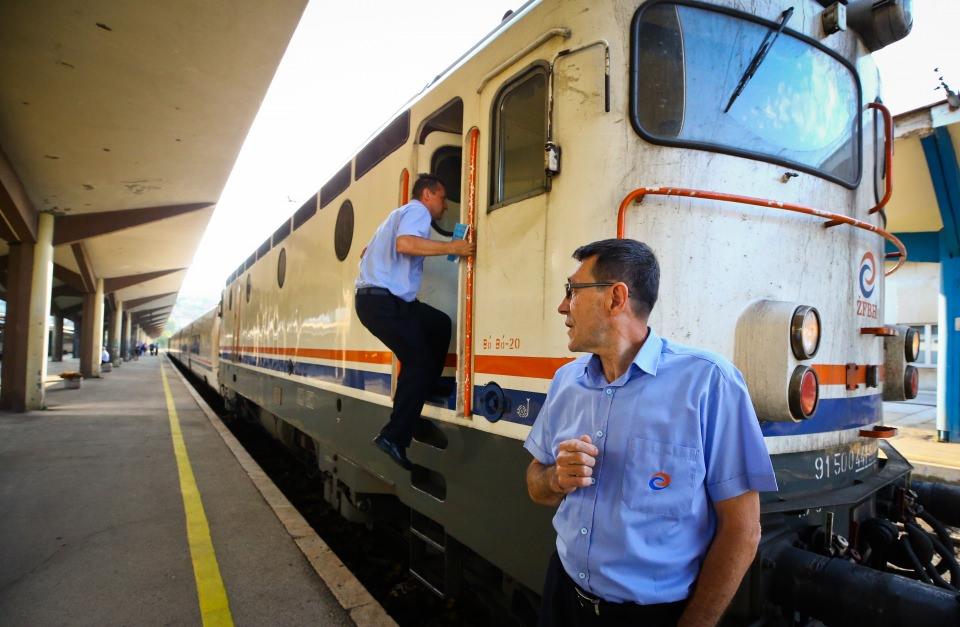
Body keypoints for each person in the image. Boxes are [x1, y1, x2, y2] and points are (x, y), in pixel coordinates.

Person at [524, 239, 777, 627]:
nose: (562, 306)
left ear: (616, 298)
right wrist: (556, 478)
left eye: (572, 290)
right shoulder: (566, 382)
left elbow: (742, 530)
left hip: (651, 617)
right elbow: (534, 484)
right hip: (563, 597)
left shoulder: (709, 383)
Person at [355, 174, 475, 469]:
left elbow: (368, 252)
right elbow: (405, 244)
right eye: (442, 198)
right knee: (419, 361)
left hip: (385, 301)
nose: (445, 206)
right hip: (382, 302)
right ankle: (392, 437)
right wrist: (453, 247)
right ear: (427, 195)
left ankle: (422, 389)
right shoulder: (418, 211)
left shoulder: (396, 216)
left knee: (439, 324)